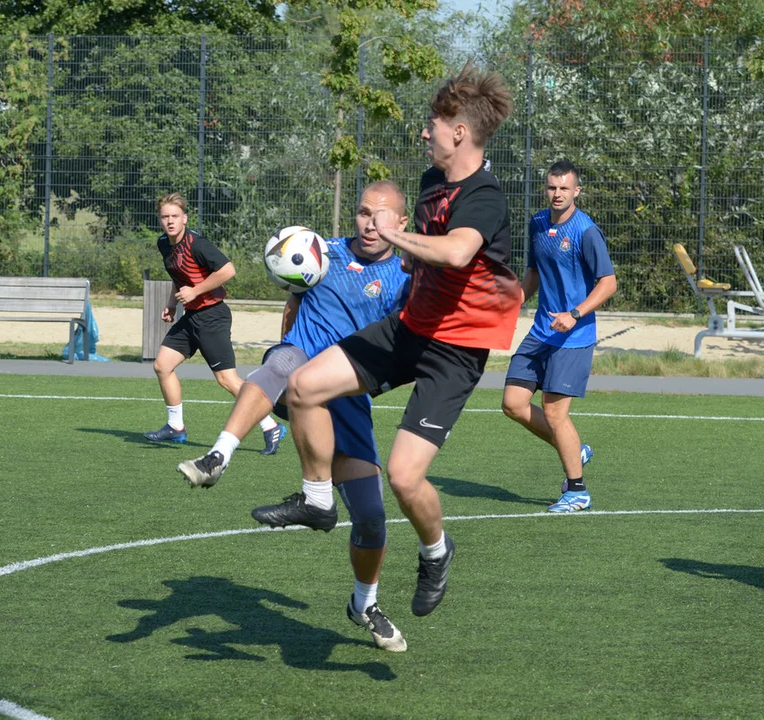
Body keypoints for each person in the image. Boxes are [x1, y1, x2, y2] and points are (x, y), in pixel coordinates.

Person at [252, 62, 519, 619]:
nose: (424, 133)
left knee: (402, 475)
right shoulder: (428, 183)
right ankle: (319, 499)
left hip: (455, 350)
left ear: (459, 132)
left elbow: (456, 252)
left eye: (432, 125)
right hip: (408, 330)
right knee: (302, 387)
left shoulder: (485, 196)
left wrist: (395, 232)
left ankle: (436, 551)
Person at [177, 181, 412, 651]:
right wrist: (291, 320)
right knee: (281, 363)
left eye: (381, 216)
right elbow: (294, 286)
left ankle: (365, 604)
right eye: (363, 213)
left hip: (348, 400)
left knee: (370, 517)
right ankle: (218, 456)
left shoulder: (407, 281)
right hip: (298, 374)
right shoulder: (318, 250)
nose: (369, 223)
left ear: (402, 224)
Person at [501, 160, 617, 512]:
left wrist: (575, 314)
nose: (557, 194)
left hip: (574, 336)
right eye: (552, 187)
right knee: (513, 404)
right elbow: (533, 272)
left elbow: (609, 283)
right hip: (541, 332)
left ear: (576, 191)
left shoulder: (586, 231)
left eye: (564, 188)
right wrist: (517, 300)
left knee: (554, 413)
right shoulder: (537, 223)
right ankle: (574, 450)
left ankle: (577, 490)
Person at [144, 193, 283, 451]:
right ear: (160, 220)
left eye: (175, 216)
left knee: (227, 380)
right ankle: (175, 427)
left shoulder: (197, 244)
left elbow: (228, 270)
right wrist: (172, 304)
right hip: (191, 317)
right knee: (162, 365)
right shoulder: (164, 243)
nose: (170, 221)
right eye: (165, 217)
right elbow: (179, 274)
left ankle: (271, 426)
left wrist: (195, 291)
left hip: (212, 316)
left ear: (185, 218)